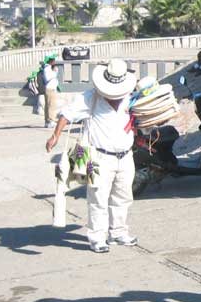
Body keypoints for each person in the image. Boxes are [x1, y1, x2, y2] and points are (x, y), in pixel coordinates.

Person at [45, 59, 138, 254]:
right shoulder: (90, 98)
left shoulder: (130, 97)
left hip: (125, 156)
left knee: (123, 197)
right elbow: (67, 114)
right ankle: (97, 237)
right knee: (97, 198)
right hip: (98, 157)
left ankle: (118, 232)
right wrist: (55, 135)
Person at [41, 55, 59, 129]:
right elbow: (47, 78)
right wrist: (55, 72)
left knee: (48, 105)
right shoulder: (47, 68)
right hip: (50, 89)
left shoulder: (48, 68)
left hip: (51, 88)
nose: (54, 61)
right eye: (53, 60)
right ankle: (51, 121)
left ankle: (47, 121)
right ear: (50, 61)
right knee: (51, 105)